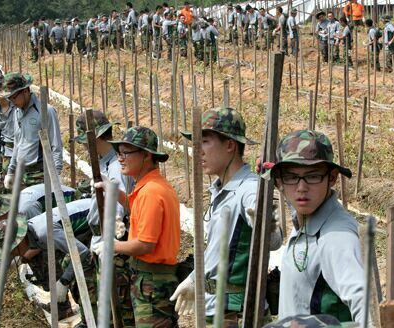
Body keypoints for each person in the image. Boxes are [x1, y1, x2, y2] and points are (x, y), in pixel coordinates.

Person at [171, 107, 283, 326]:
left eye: (204, 142)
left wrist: (265, 224)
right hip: (217, 309)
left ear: (230, 145)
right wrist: (194, 279)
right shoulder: (221, 189)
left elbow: (273, 240)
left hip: (238, 314)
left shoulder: (249, 188)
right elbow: (216, 253)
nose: (198, 151)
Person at [267, 130, 364, 324]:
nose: (301, 187)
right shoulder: (305, 219)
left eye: (312, 177)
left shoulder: (336, 237)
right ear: (279, 182)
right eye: (292, 177)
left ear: (332, 178)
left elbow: (367, 309)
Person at [93, 126, 180, 327]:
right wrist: (113, 190)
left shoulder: (151, 192)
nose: (120, 158)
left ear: (147, 156)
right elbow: (136, 207)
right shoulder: (151, 187)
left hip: (152, 282)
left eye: (126, 153)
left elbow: (144, 245)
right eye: (118, 153)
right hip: (152, 280)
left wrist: (112, 245)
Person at [0, 188, 78, 315]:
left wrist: (23, 256)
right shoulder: (9, 222)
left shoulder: (25, 211)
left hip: (71, 210)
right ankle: (59, 301)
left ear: (0, 214)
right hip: (56, 224)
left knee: (43, 258)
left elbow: (44, 238)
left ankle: (63, 305)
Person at [74, 110, 136, 326]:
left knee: (118, 305)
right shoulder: (104, 162)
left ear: (97, 138)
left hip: (114, 240)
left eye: (84, 141)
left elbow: (117, 207)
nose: (82, 146)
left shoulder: (116, 166)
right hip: (102, 238)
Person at [0, 73, 63, 189]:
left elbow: (56, 145)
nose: (12, 102)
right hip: (21, 173)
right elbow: (18, 143)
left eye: (14, 97)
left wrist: (56, 174)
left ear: (25, 91)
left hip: (40, 173)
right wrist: (11, 171)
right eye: (9, 98)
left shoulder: (45, 111)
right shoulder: (17, 112)